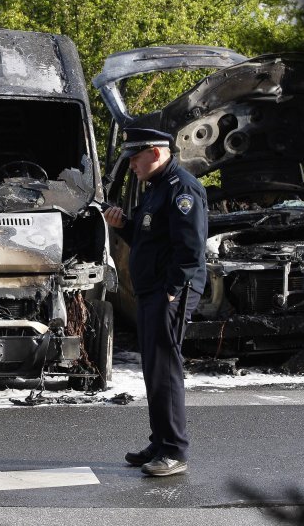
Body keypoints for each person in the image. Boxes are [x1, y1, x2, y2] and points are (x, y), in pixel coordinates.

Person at [102, 127, 207, 477]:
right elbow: (148, 238)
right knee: (154, 369)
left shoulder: (182, 189)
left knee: (166, 370)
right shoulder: (156, 188)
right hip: (153, 290)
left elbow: (191, 248)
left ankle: (175, 451)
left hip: (169, 292)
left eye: (135, 156)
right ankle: (161, 440)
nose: (131, 163)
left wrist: (173, 289)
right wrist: (122, 225)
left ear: (156, 152)